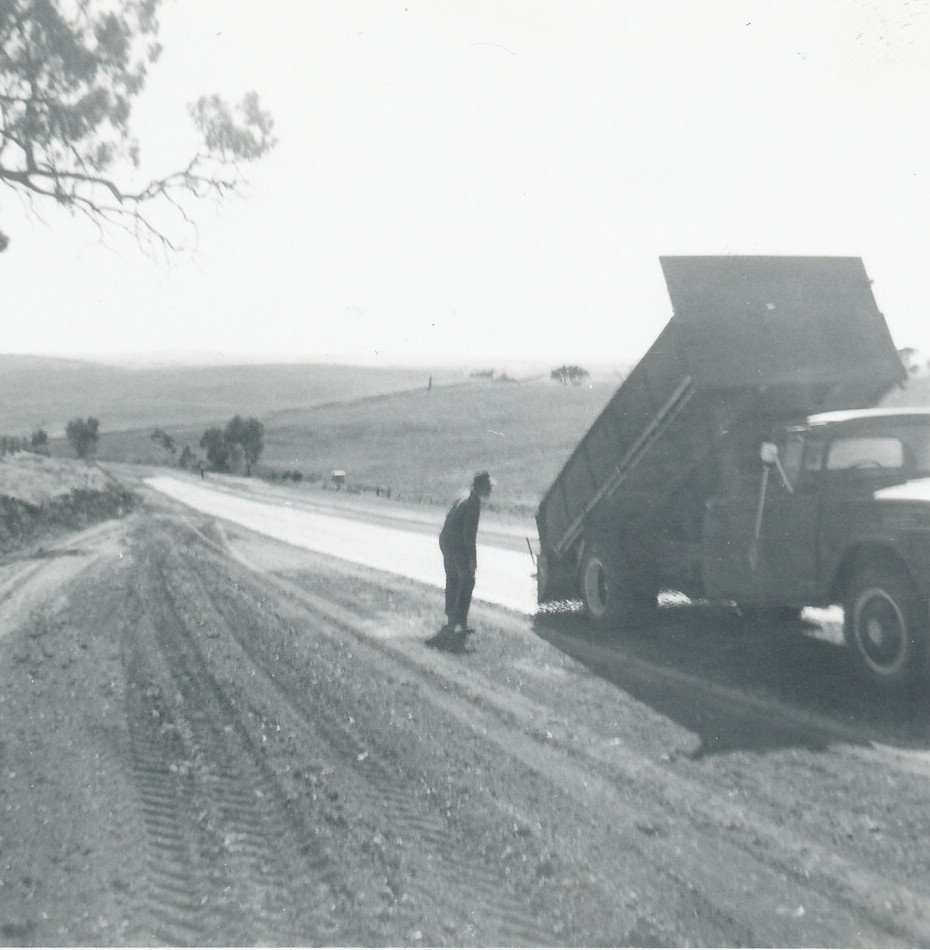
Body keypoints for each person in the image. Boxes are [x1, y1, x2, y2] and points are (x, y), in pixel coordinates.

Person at [439, 470, 493, 636]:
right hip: (455, 544)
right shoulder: (473, 503)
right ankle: (458, 621)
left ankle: (452, 621)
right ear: (481, 487)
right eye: (488, 487)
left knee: (453, 579)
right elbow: (468, 536)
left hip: (447, 542)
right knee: (467, 580)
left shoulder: (465, 495)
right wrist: (472, 560)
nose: (490, 490)